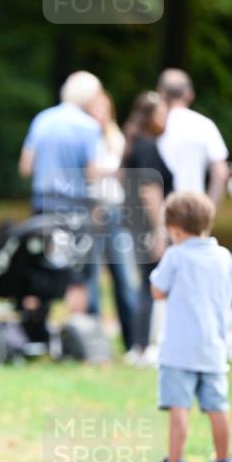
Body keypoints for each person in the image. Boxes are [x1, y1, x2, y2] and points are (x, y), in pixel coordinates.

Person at [142, 192, 232, 462]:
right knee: (218, 407)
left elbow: (157, 291)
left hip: (178, 350)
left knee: (178, 407)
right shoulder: (223, 256)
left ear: (174, 229)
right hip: (213, 348)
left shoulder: (175, 256)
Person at [19, 71, 103, 313]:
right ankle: (75, 331)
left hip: (43, 204)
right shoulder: (89, 127)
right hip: (74, 207)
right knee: (76, 274)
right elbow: (92, 174)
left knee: (38, 265)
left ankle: (33, 326)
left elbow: (26, 167)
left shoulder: (42, 119)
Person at [121, 91, 174, 364]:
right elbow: (149, 190)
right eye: (163, 114)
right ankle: (143, 346)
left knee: (146, 283)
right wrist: (160, 229)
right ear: (151, 117)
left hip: (134, 224)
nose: (166, 120)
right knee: (151, 284)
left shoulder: (133, 144)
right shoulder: (147, 147)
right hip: (147, 226)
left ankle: (139, 345)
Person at [86, 90, 137, 352]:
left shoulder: (115, 137)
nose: (99, 114)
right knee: (91, 279)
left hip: (115, 211)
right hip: (90, 211)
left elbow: (119, 174)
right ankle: (96, 346)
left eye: (104, 108)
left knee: (125, 278)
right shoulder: (85, 136)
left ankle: (133, 343)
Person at [156, 68, 229, 205]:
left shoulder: (154, 126)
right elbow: (220, 172)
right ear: (190, 94)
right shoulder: (205, 125)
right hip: (194, 208)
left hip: (160, 208)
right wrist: (209, 210)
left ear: (160, 92)